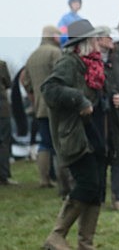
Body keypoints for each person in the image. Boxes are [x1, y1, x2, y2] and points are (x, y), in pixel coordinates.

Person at [41, 19, 108, 249]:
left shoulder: (94, 66)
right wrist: (79, 100)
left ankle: (85, 244)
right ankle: (56, 236)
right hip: (76, 136)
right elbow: (49, 90)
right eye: (96, 39)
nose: (100, 44)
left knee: (97, 190)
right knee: (88, 184)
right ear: (85, 43)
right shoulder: (69, 62)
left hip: (95, 136)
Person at [23, 25, 68, 191]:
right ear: (53, 36)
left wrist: (34, 97)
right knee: (59, 144)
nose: (60, 37)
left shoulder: (32, 56)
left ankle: (44, 179)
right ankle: (63, 182)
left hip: (39, 107)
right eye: (58, 34)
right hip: (56, 105)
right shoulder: (55, 53)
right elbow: (63, 76)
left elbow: (25, 81)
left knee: (44, 143)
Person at [97, 26, 119, 211]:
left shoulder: (116, 60)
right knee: (100, 158)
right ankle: (98, 199)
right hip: (98, 117)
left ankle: (118, 198)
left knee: (118, 157)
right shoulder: (90, 62)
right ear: (98, 39)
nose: (112, 40)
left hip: (117, 116)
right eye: (108, 37)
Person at [0, 58, 16, 185]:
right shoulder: (1, 64)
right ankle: (3, 176)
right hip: (2, 110)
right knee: (4, 142)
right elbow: (8, 84)